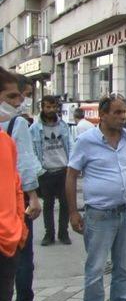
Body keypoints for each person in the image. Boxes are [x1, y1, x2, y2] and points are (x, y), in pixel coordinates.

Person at [66, 95, 126, 301]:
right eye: (118, 112)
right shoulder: (85, 141)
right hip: (98, 215)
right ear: (103, 115)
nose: (123, 116)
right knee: (96, 267)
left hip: (123, 212)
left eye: (124, 112)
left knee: (122, 266)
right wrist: (72, 212)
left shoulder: (125, 138)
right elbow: (71, 176)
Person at [0, 70, 44, 301]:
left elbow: (18, 174)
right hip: (8, 223)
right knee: (23, 253)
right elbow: (25, 167)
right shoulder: (18, 125)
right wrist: (34, 197)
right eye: (14, 96)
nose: (19, 103)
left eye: (23, 96)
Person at [0, 68, 31, 301]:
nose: (17, 103)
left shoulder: (6, 141)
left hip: (8, 245)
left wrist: (18, 228)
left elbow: (15, 187)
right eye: (11, 96)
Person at [31, 95, 72, 246]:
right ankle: (49, 234)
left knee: (65, 203)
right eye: (48, 107)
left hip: (63, 170)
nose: (51, 110)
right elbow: (32, 151)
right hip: (46, 172)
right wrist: (39, 170)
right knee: (48, 205)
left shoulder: (63, 126)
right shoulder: (35, 128)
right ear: (42, 107)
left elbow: (70, 145)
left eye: (54, 107)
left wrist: (71, 166)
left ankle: (63, 233)